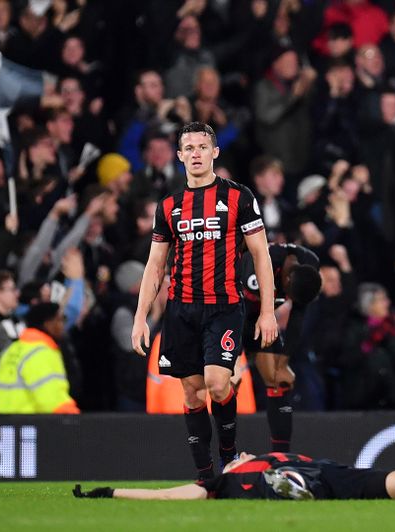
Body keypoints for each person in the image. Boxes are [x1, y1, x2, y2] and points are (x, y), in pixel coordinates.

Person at [131, 122, 279, 481]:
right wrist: (140, 317)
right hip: (181, 310)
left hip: (225, 306)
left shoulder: (239, 198)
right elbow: (155, 265)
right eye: (189, 148)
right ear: (180, 156)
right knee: (192, 393)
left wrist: (268, 312)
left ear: (215, 152)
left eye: (202, 147)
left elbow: (261, 256)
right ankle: (206, 476)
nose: (196, 153)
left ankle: (228, 457)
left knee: (216, 382)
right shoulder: (169, 206)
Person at [74, 451, 395, 502]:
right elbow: (170, 497)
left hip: (326, 474)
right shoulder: (223, 480)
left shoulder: (271, 453)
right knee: (287, 476)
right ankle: (288, 490)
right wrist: (114, 491)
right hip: (280, 480)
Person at [238, 243, 322, 452]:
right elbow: (237, 311)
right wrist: (234, 359)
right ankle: (227, 458)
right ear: (285, 280)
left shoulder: (309, 265)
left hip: (261, 317)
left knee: (278, 380)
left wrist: (283, 363)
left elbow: (297, 318)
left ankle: (280, 458)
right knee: (227, 383)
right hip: (231, 314)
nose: (288, 301)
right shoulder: (257, 268)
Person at [0, 302, 80, 414]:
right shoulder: (42, 353)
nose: (63, 325)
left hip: (5, 425)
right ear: (48, 323)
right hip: (34, 425)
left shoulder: (12, 349)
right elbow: (53, 400)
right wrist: (77, 424)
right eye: (61, 319)